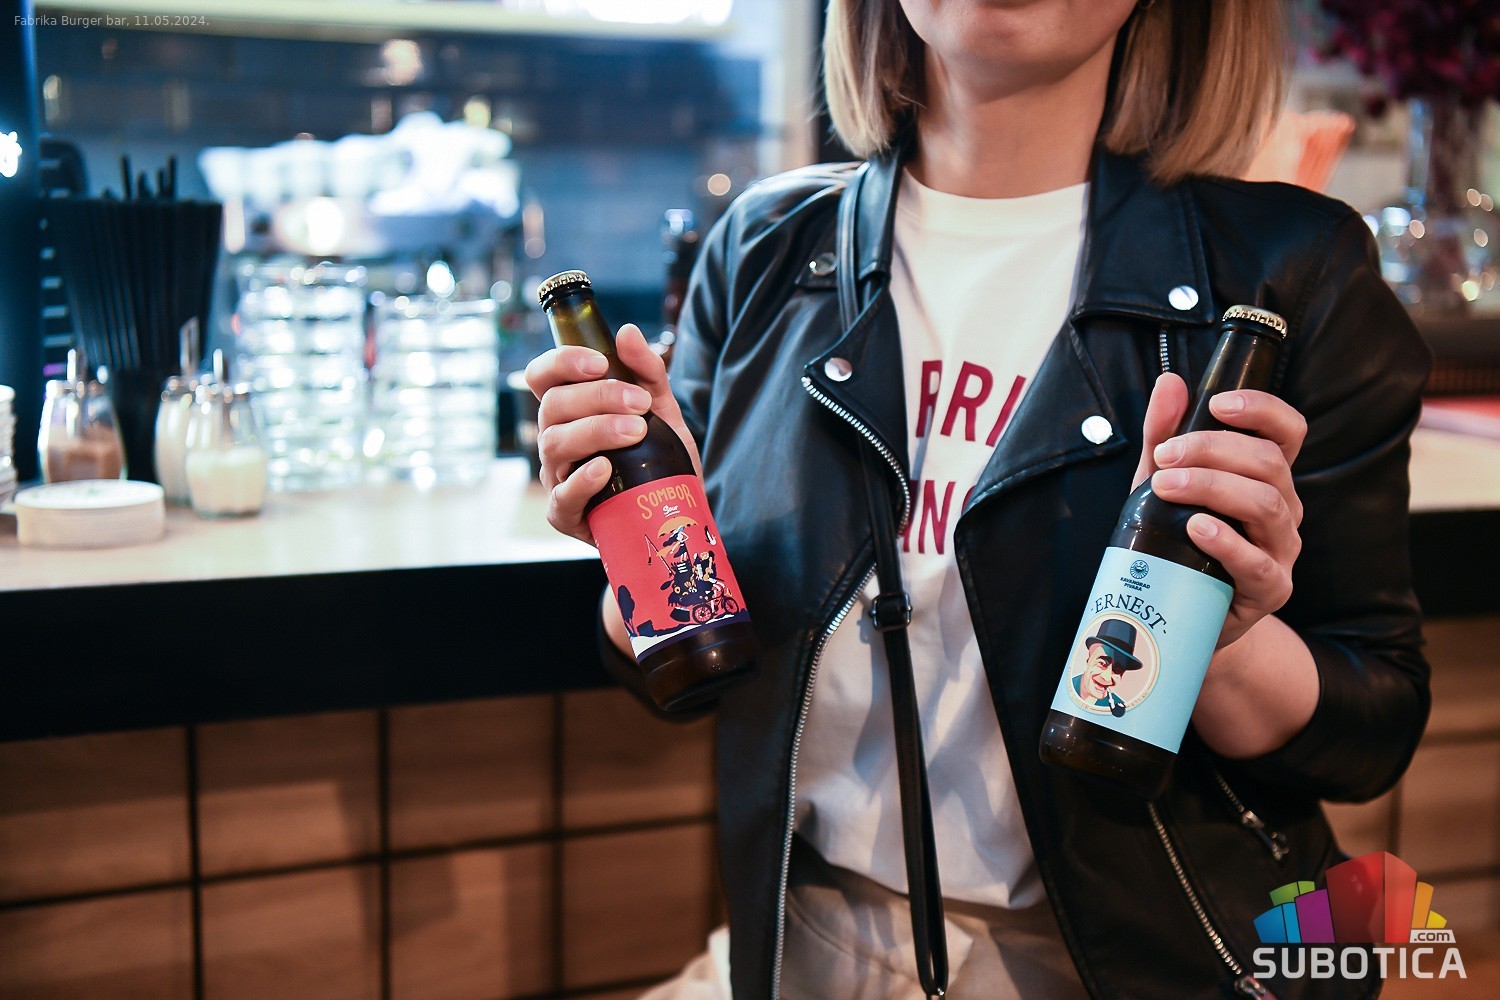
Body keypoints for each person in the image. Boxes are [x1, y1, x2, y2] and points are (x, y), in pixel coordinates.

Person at [525, 0, 1431, 996]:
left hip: (1135, 967)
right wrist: (639, 549)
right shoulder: (763, 250)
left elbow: (1370, 731)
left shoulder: (1287, 271)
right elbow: (687, 675)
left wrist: (1218, 635)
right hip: (801, 944)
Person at [1070, 619, 1143, 717]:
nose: (1107, 677)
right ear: (1088, 660)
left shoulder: (1118, 709)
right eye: (1102, 663)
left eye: (1117, 670)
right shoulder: (1066, 689)